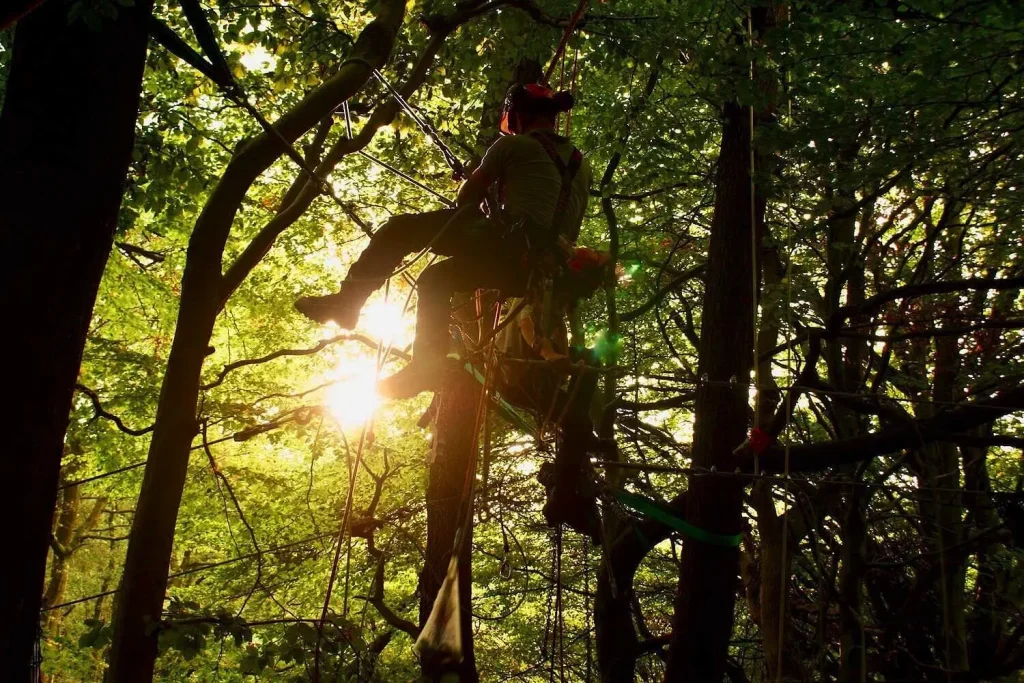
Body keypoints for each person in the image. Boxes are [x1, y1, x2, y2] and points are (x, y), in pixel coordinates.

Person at [296, 83, 593, 399]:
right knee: (436, 279)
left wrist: (487, 193)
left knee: (399, 230)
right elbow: (560, 221)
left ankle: (348, 303)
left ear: (517, 116)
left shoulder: (513, 146)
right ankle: (426, 363)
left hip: (508, 247)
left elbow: (466, 201)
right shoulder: (582, 166)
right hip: (540, 271)